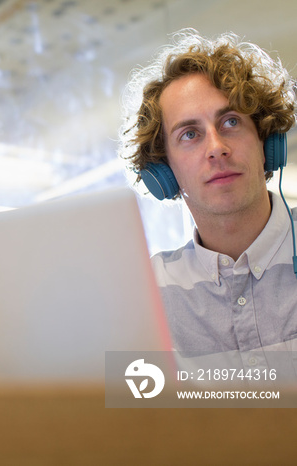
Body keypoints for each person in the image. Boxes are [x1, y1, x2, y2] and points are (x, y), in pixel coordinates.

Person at [119, 29, 297, 366]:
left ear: (266, 143)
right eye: (189, 134)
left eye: (231, 121)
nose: (216, 148)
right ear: (165, 171)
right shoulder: (144, 295)